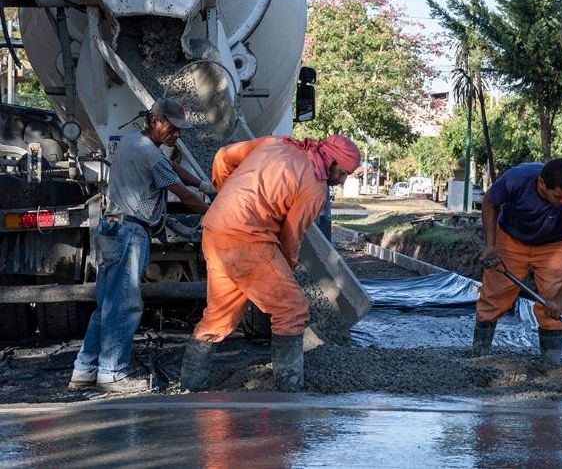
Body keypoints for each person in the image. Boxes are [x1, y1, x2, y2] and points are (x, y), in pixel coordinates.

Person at [180, 135, 360, 392]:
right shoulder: (315, 187)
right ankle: (289, 390)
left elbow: (222, 155)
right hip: (247, 238)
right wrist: (285, 269)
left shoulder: (277, 144)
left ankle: (191, 385)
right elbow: (291, 236)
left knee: (220, 316)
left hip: (216, 227)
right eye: (343, 173)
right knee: (292, 308)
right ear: (330, 160)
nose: (342, 181)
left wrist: (225, 194)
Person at [68, 98, 211, 393]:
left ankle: (85, 370)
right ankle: (112, 374)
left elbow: (171, 168)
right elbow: (181, 195)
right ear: (156, 122)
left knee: (106, 304)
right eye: (173, 128)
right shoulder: (150, 155)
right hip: (130, 232)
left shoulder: (134, 142)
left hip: (112, 227)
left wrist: (202, 183)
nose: (177, 135)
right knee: (125, 304)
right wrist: (214, 209)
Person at [473, 158, 562, 364]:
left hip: (554, 245)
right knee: (493, 297)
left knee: (553, 302)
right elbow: (490, 201)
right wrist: (491, 245)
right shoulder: (516, 179)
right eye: (558, 196)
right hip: (510, 238)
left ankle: (550, 364)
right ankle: (478, 356)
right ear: (541, 184)